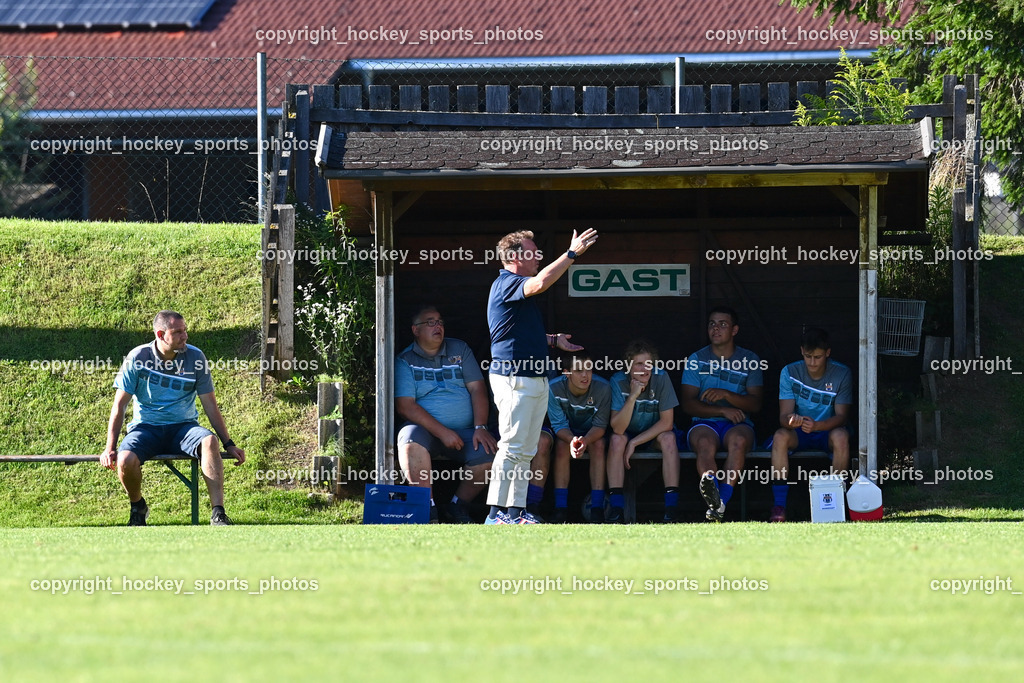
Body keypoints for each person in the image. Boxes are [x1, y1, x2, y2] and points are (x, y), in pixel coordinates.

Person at [484, 227, 599, 525]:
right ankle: (495, 514)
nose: (538, 257)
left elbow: (514, 332)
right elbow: (540, 283)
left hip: (535, 380)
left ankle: (515, 513)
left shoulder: (515, 289)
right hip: (514, 379)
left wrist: (552, 340)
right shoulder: (506, 283)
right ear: (515, 257)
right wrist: (571, 254)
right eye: (533, 252)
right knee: (511, 447)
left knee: (526, 451)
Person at [100, 310, 246, 526]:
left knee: (209, 441)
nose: (185, 336)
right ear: (160, 334)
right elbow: (119, 406)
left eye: (185, 330)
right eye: (178, 332)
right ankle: (138, 506)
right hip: (146, 429)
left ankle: (218, 513)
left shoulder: (196, 358)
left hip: (183, 429)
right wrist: (110, 448)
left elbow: (210, 406)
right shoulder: (138, 357)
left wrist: (229, 443)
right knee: (125, 460)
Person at [395, 306, 497, 523]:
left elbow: (478, 388)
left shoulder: (459, 349)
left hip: (467, 431)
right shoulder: (405, 359)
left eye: (440, 321)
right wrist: (443, 432)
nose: (438, 326)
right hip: (425, 432)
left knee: (491, 453)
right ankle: (427, 510)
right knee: (409, 441)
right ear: (415, 330)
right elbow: (405, 406)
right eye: (430, 322)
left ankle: (457, 507)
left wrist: (480, 427)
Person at [681, 306, 763, 522]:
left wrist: (727, 395)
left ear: (734, 330)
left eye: (722, 324)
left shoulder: (749, 359)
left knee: (739, 441)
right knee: (705, 443)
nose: (715, 328)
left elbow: (756, 404)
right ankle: (714, 495)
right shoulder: (696, 359)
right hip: (704, 422)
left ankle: (720, 501)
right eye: (712, 324)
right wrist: (722, 409)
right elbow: (688, 404)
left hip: (738, 424)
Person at [767, 327, 852, 522]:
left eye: (817, 357)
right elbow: (783, 417)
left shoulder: (842, 373)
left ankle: (837, 503)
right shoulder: (789, 371)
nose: (812, 362)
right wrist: (791, 421)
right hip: (800, 432)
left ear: (828, 353)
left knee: (841, 436)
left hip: (828, 430)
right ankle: (779, 507)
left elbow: (842, 417)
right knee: (780, 436)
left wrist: (818, 426)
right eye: (808, 356)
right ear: (801, 352)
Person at [607, 340, 680, 523]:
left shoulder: (661, 377)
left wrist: (635, 442)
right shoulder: (618, 380)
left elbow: (667, 422)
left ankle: (671, 510)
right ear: (628, 366)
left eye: (648, 363)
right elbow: (618, 428)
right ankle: (617, 510)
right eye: (639, 364)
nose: (644, 369)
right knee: (616, 440)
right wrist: (632, 396)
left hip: (652, 435)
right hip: (627, 433)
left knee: (669, 438)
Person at [545, 350, 612, 523]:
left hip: (592, 434)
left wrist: (586, 440)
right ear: (566, 373)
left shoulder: (603, 388)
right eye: (579, 370)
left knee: (599, 445)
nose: (585, 375)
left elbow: (600, 425)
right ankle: (560, 509)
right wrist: (572, 440)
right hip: (567, 433)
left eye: (588, 369)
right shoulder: (552, 388)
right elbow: (558, 425)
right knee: (561, 446)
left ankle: (597, 508)